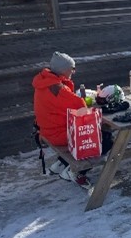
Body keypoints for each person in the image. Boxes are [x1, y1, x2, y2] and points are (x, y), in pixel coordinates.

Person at [32, 52, 112, 189]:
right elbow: (80, 105)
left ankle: (61, 163)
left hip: (47, 130)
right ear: (63, 69)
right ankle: (75, 171)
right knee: (105, 138)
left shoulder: (44, 82)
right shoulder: (56, 88)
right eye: (72, 68)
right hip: (57, 134)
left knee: (93, 129)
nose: (73, 72)